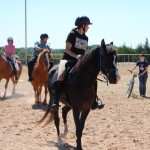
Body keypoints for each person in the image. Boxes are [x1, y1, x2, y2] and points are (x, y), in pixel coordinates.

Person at [51, 16, 103, 111]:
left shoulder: (86, 38)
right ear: (82, 25)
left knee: (93, 78)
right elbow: (67, 50)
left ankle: (94, 101)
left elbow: (83, 51)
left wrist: (83, 59)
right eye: (87, 25)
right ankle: (55, 100)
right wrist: (76, 56)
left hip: (79, 62)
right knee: (61, 75)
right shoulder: (72, 34)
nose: (88, 27)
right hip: (67, 60)